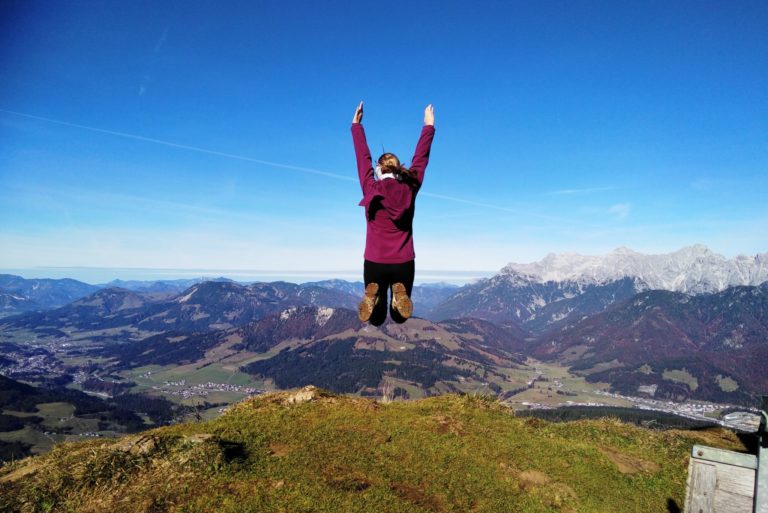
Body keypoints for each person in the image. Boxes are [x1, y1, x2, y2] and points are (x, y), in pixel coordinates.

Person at [351, 101, 435, 325]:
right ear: (400, 170)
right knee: (398, 318)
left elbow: (363, 159)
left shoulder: (371, 188)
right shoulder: (410, 188)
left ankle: (374, 296)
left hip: (374, 261)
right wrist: (428, 126)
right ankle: (398, 300)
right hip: (403, 262)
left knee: (376, 320)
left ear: (379, 170)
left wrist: (356, 126)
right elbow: (420, 160)